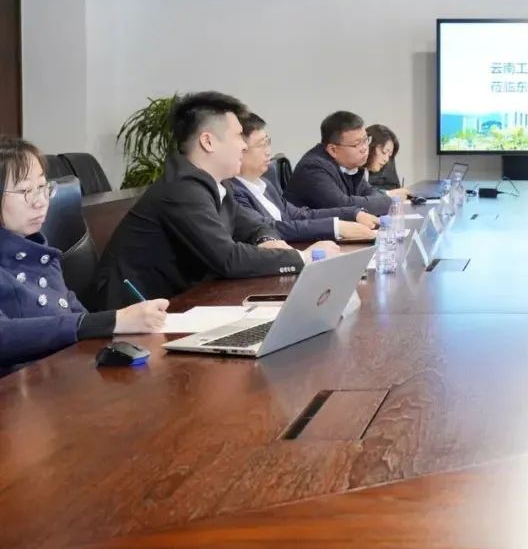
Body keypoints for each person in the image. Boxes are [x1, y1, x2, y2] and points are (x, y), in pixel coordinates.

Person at [91, 92, 339, 309]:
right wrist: (303, 258)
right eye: (239, 136)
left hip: (178, 301)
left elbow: (251, 225)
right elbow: (228, 259)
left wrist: (267, 240)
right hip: (133, 311)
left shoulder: (216, 182)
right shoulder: (182, 189)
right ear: (208, 141)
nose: (244, 146)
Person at [0, 136, 168, 373]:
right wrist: (113, 321)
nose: (40, 202)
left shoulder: (39, 252)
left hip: (61, 375)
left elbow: (76, 315)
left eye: (43, 187)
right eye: (26, 191)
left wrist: (121, 325)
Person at [230, 113, 379, 242]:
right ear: (240, 149)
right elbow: (270, 228)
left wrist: (353, 213)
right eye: (261, 145)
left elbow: (299, 215)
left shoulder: (265, 184)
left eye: (267, 142)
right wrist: (336, 227)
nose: (268, 151)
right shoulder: (232, 192)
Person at [286, 111, 407, 215]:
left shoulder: (351, 165)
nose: (365, 148)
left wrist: (383, 200)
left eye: (366, 140)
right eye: (357, 144)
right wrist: (390, 201)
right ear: (333, 150)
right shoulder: (313, 168)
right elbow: (342, 205)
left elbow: (368, 191)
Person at [365, 124, 403, 190]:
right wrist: (388, 193)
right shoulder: (352, 169)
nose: (386, 159)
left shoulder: (388, 162)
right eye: (384, 152)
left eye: (389, 155)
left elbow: (395, 187)